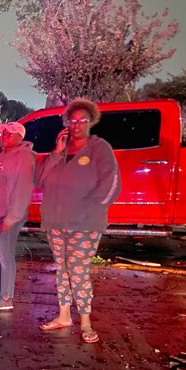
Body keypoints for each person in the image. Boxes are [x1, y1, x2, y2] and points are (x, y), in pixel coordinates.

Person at [35, 98, 121, 343]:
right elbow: (39, 179)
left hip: (84, 224)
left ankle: (85, 321)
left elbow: (111, 182)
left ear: (91, 121)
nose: (77, 124)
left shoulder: (99, 148)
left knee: (78, 271)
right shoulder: (60, 151)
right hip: (56, 221)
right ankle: (64, 316)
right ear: (67, 124)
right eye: (73, 120)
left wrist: (91, 209)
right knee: (61, 269)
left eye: (83, 120)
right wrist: (55, 152)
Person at [0, 121, 36, 312]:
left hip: (8, 215)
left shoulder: (24, 157)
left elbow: (22, 190)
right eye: (4, 133)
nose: (5, 136)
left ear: (20, 137)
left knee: (5, 255)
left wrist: (11, 218)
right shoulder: (5, 154)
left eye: (10, 134)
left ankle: (6, 298)